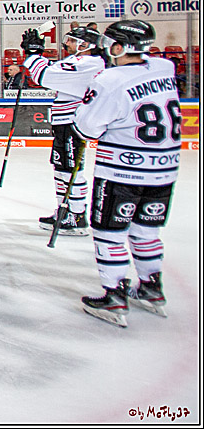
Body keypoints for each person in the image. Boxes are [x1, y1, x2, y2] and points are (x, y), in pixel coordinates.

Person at [73, 20, 181, 328]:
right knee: (146, 231)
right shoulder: (164, 67)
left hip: (122, 170)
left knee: (109, 232)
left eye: (110, 44)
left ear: (119, 47)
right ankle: (151, 287)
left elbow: (86, 128)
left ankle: (114, 295)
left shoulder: (109, 79)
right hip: (164, 169)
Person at [22, 26, 106, 236]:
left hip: (73, 123)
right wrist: (35, 55)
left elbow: (45, 76)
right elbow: (54, 70)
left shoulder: (87, 63)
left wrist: (33, 55)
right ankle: (65, 210)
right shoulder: (82, 62)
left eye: (70, 40)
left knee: (70, 171)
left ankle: (76, 216)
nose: (66, 43)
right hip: (65, 122)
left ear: (85, 45)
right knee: (62, 169)